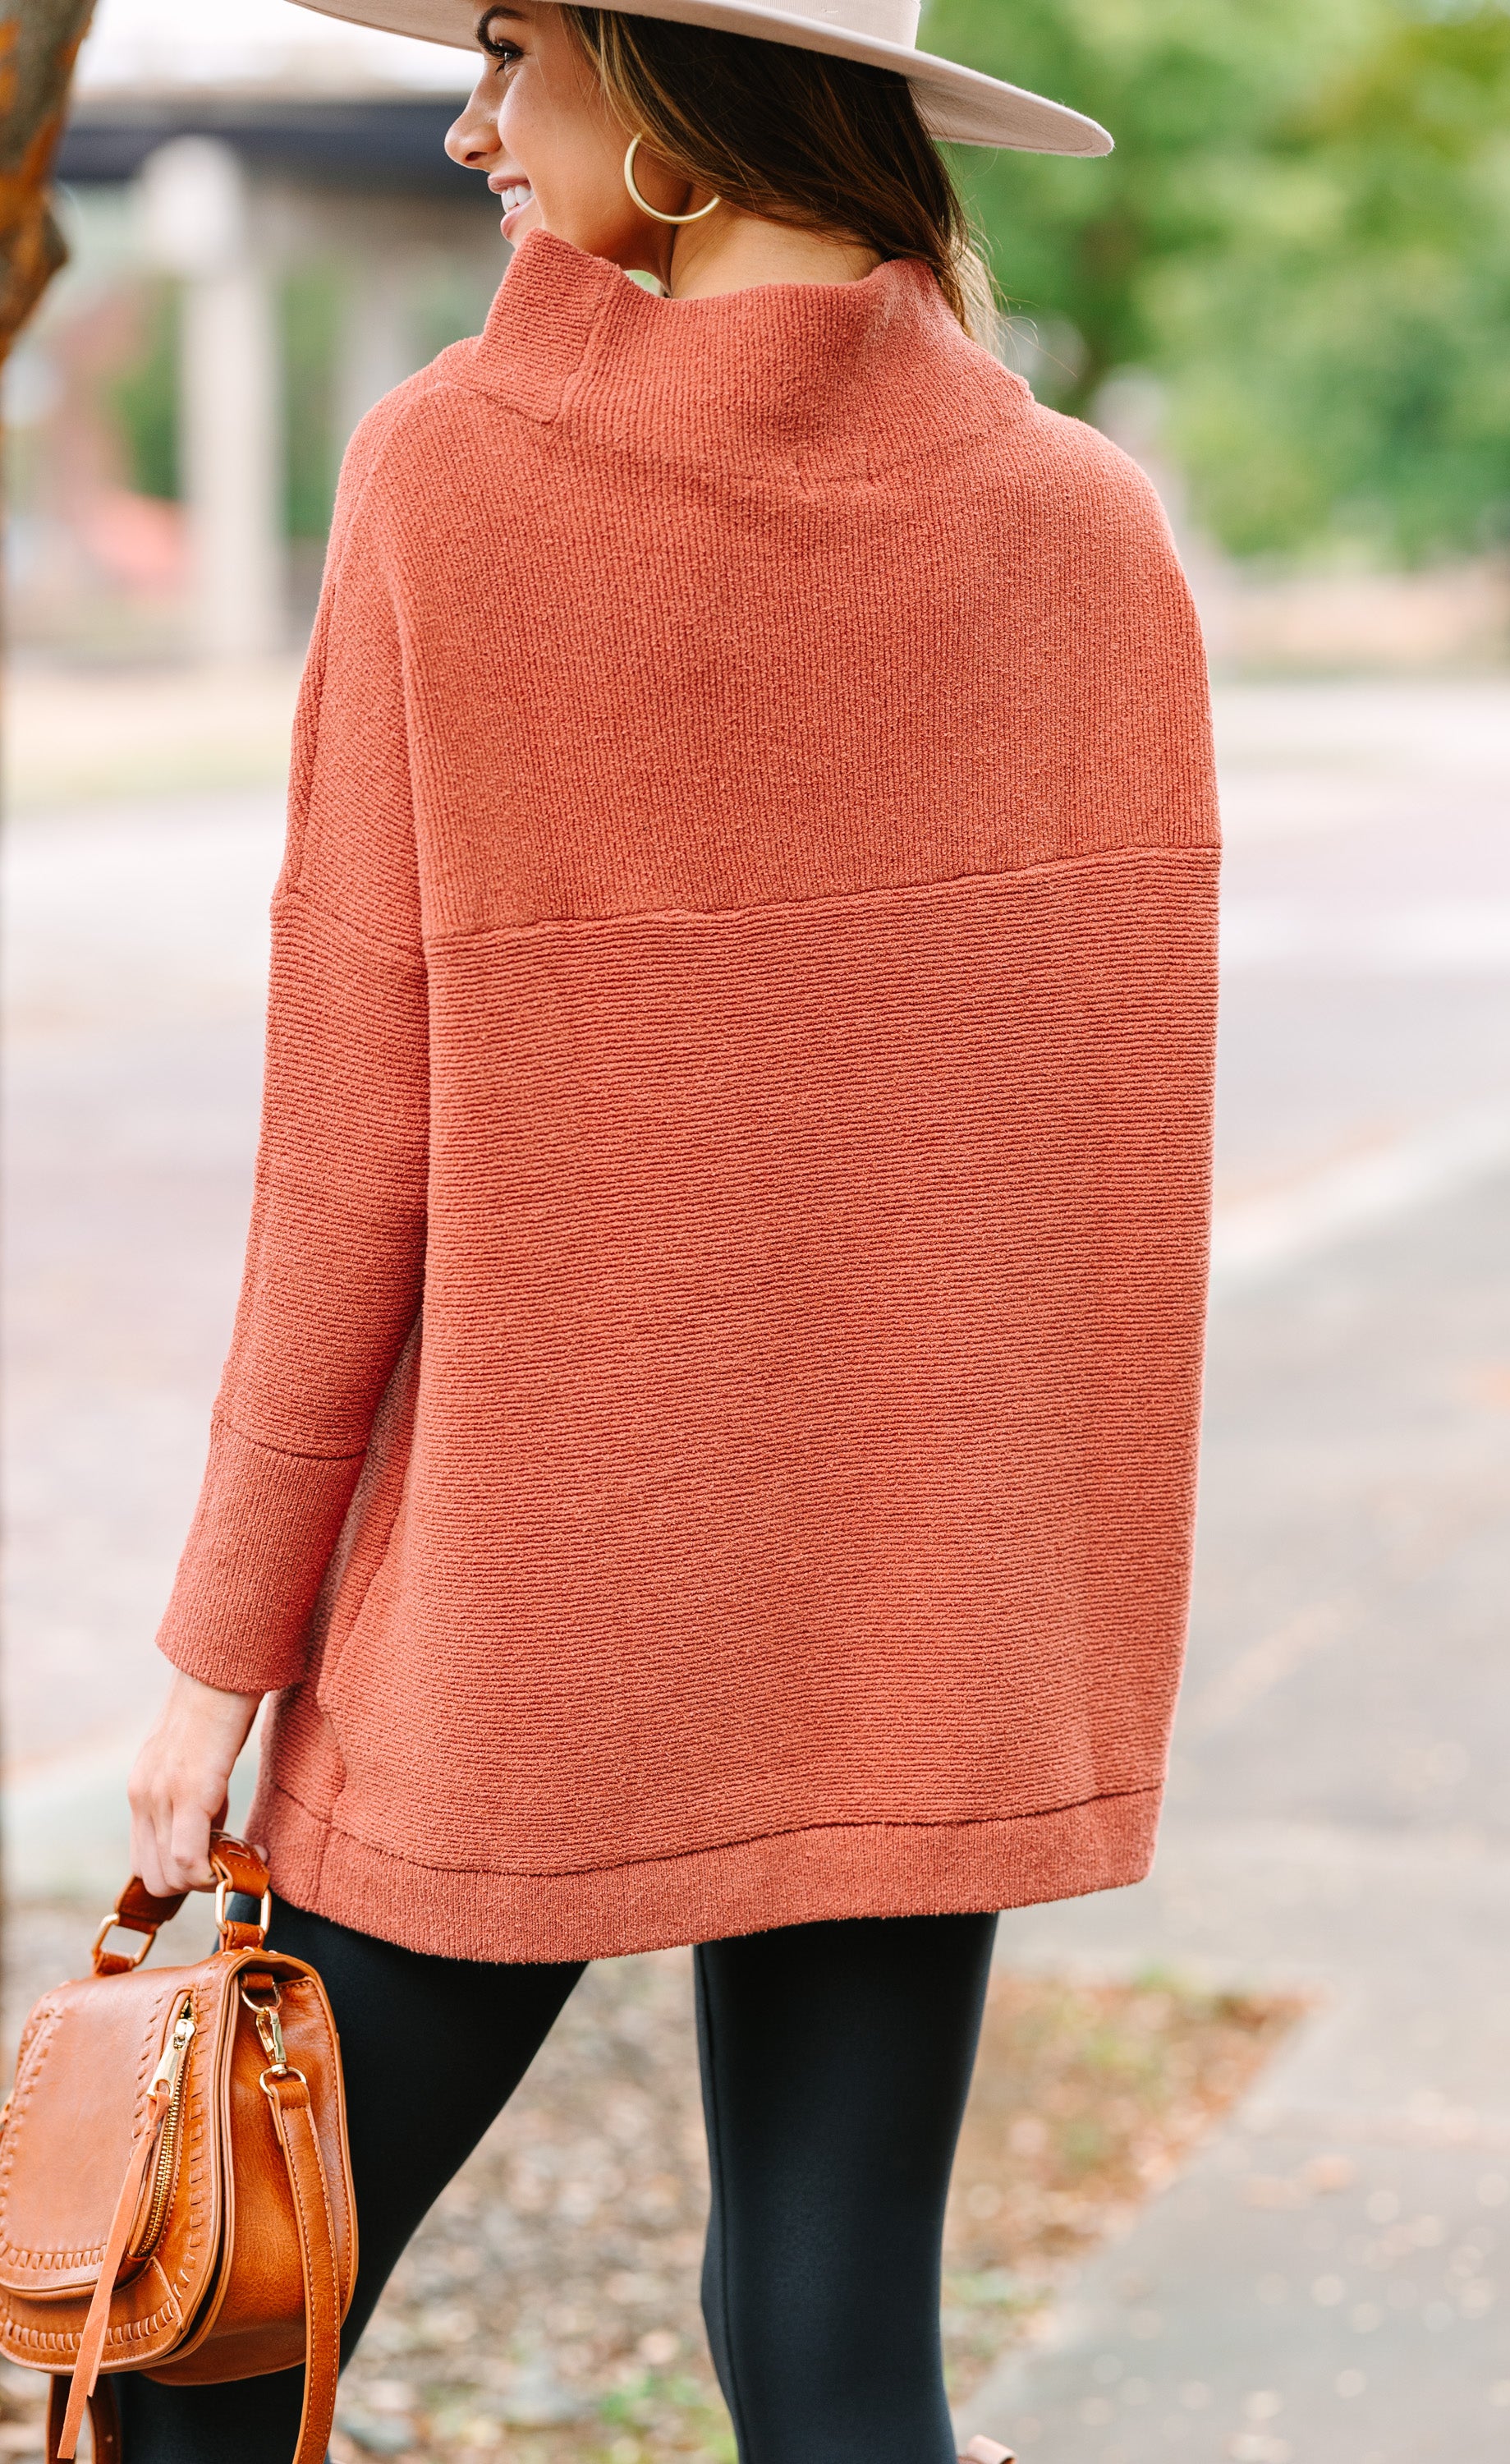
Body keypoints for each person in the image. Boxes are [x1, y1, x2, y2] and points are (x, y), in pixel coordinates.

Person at [122, 3, 1219, 2457]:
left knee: (204, 2365)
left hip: (519, 1612)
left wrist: (223, 1645)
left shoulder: (455, 481)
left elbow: (348, 1148)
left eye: (517, 48)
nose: (468, 115)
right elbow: (1101, 1186)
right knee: (829, 2354)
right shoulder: (1087, 532)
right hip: (906, 1613)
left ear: (686, 97)